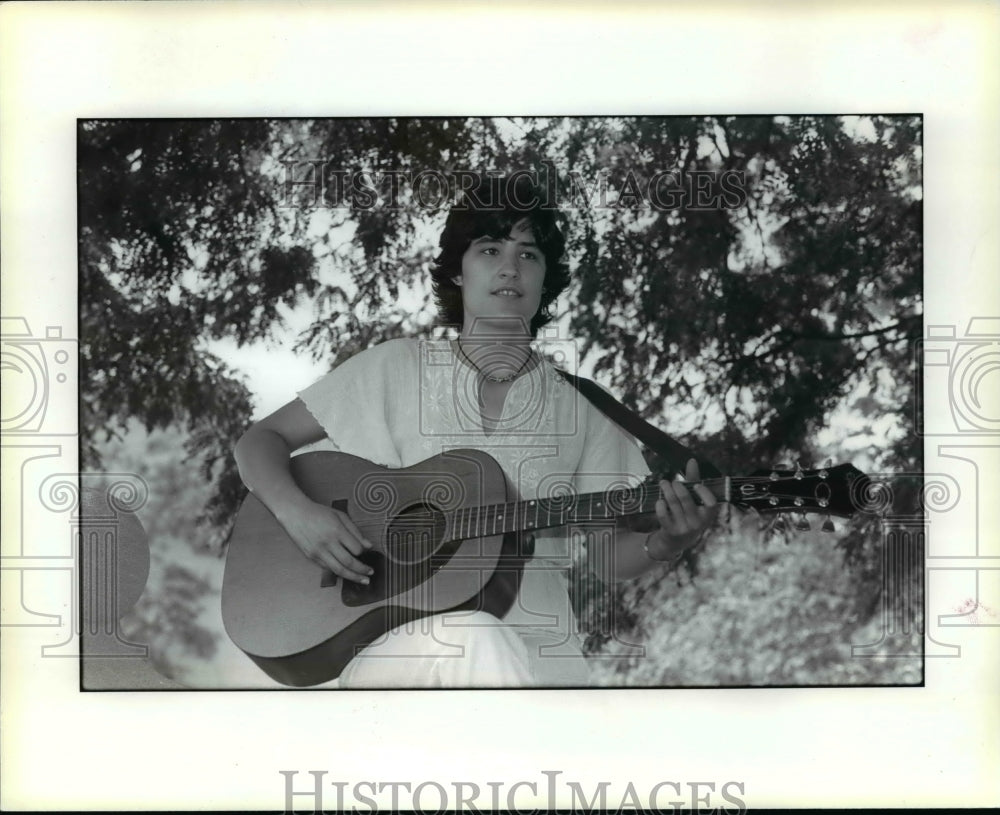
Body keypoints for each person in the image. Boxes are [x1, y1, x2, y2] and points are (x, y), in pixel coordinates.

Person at [233, 174, 718, 687]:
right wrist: (300, 514)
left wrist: (667, 542)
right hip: (396, 645)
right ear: (458, 273)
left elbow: (604, 555)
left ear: (545, 277)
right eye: (489, 249)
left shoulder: (582, 407)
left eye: (529, 254)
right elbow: (258, 442)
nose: (510, 267)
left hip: (542, 653)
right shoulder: (393, 368)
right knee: (475, 637)